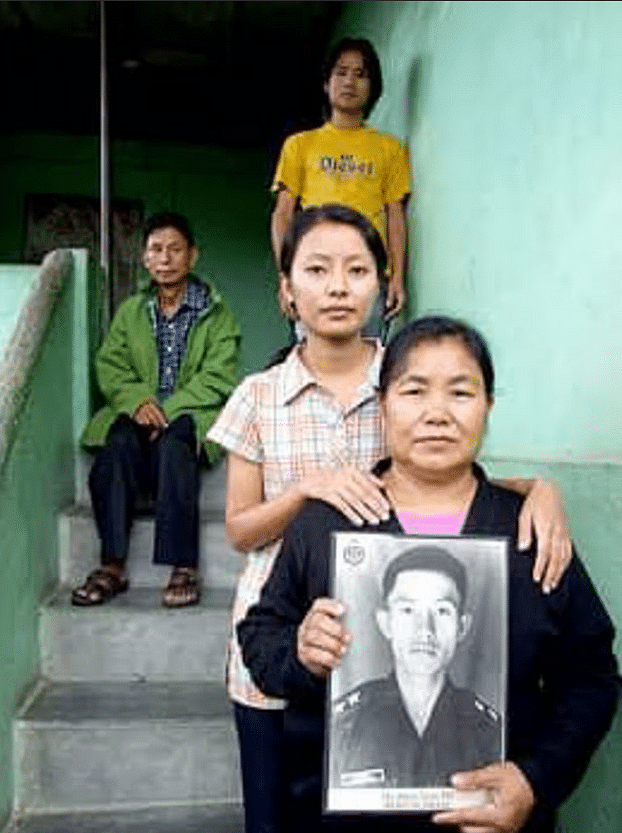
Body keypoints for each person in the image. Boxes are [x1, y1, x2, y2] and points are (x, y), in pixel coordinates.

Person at [208, 207, 572, 833]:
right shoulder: (258, 393)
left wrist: (539, 489)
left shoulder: (409, 371)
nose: (339, 286)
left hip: (393, 624)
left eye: (357, 270)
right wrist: (308, 493)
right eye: (317, 270)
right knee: (278, 811)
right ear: (286, 290)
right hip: (292, 638)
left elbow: (452, 465)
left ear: (384, 283)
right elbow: (240, 529)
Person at [238, 315, 619, 833]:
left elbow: (592, 674)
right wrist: (299, 652)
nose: (437, 414)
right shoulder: (327, 522)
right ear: (383, 405)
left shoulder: (529, 532)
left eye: (461, 393)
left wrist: (536, 779)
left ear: (488, 407)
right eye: (414, 391)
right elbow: (260, 636)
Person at [73, 212, 240, 608]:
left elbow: (221, 375)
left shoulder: (217, 315)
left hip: (189, 416)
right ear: (146, 258)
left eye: (175, 249)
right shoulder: (131, 311)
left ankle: (183, 564)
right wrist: (138, 404)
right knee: (116, 446)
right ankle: (112, 565)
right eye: (156, 249)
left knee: (175, 445)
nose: (165, 258)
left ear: (192, 256)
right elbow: (110, 366)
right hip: (138, 414)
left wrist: (167, 409)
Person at [271, 37, 410, 337]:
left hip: (368, 274)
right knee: (313, 370)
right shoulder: (299, 145)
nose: (350, 81)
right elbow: (283, 215)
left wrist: (397, 277)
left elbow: (395, 217)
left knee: (368, 373)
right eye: (341, 72)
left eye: (361, 74)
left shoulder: (390, 149)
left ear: (374, 87)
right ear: (326, 82)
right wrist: (286, 275)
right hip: (313, 273)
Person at [331, 545, 501, 791]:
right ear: (385, 622)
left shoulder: (489, 732)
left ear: (462, 627)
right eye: (408, 610)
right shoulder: (344, 724)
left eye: (442, 611)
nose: (425, 630)